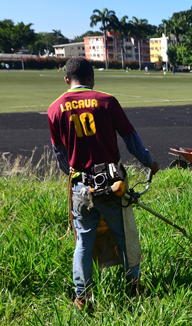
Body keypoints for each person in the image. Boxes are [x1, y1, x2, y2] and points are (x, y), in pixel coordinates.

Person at [47, 57, 159, 310]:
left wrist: (74, 176)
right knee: (125, 235)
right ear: (91, 77)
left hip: (80, 187)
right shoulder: (107, 102)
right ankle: (134, 287)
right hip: (111, 184)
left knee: (83, 242)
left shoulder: (54, 109)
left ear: (67, 80)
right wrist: (150, 163)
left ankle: (82, 297)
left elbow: (59, 155)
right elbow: (131, 139)